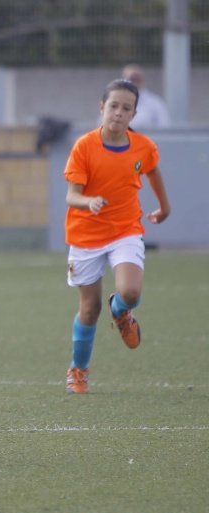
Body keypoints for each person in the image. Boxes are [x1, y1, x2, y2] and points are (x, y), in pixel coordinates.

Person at [62, 78, 171, 394]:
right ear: (101, 108)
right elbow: (72, 195)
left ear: (134, 115)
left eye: (126, 108)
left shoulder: (142, 146)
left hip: (125, 230)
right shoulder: (84, 145)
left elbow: (152, 170)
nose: (118, 113)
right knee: (89, 309)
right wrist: (89, 201)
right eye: (113, 106)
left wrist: (164, 208)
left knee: (132, 291)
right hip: (85, 235)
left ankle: (121, 310)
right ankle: (78, 370)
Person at [122, 64, 170, 128]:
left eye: (138, 79)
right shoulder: (115, 101)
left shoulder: (156, 103)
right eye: (132, 79)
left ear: (142, 81)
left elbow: (164, 127)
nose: (135, 82)